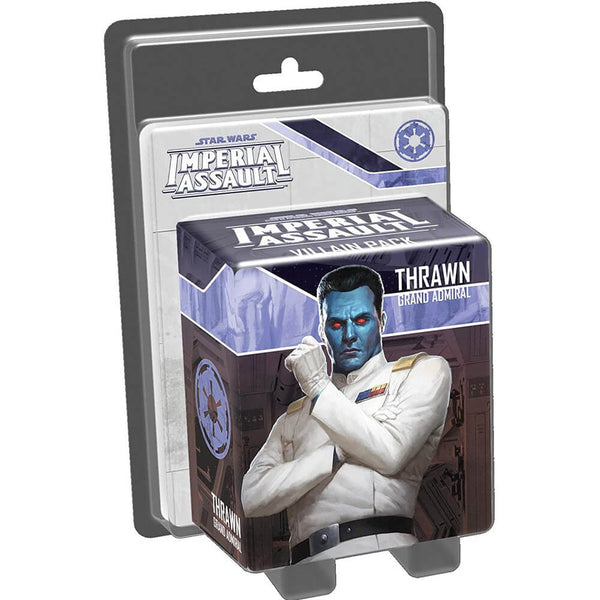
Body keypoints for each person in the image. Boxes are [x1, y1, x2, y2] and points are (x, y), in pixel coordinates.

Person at [241, 265, 451, 564]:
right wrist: (337, 452)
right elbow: (252, 497)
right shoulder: (294, 417)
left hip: (381, 551)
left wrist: (317, 385)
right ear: (321, 330)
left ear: (382, 322)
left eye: (362, 320)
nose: (349, 335)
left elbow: (391, 453)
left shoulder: (419, 372)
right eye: (337, 324)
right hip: (304, 565)